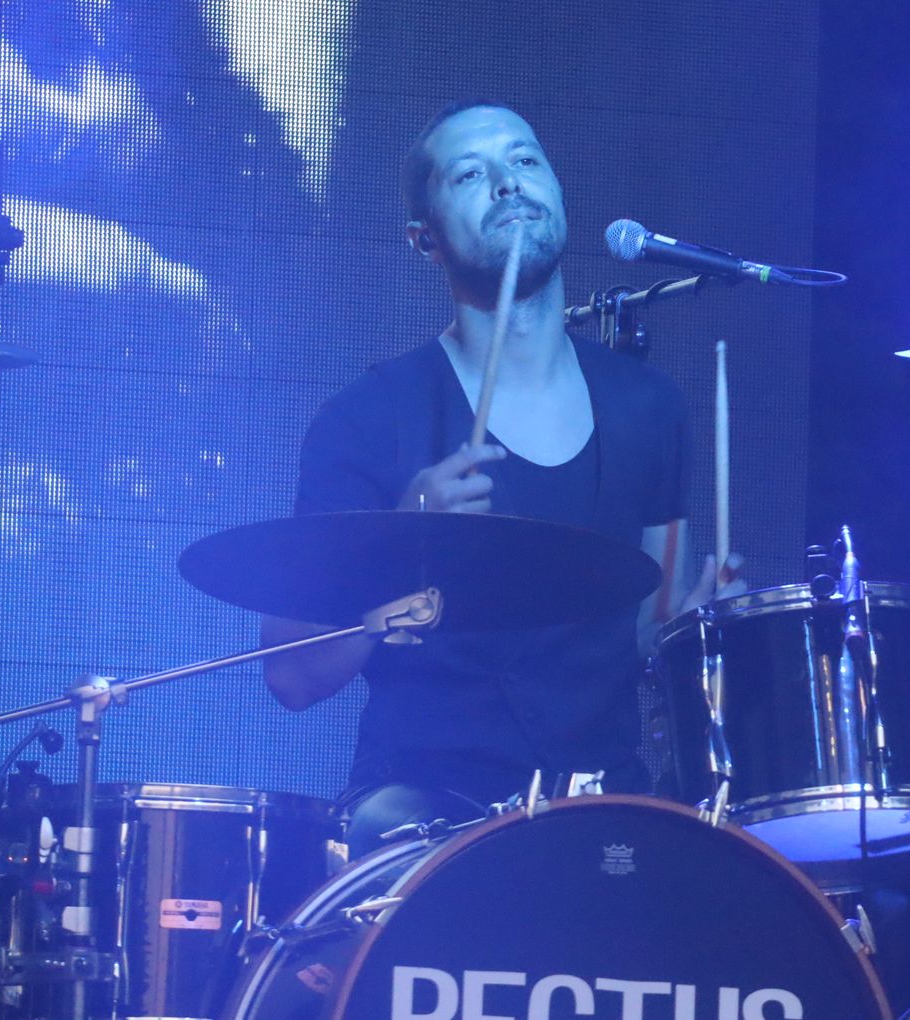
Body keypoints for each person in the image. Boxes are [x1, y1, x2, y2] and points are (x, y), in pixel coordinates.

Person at [261, 100, 739, 857]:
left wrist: (696, 632)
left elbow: (646, 635)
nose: (508, 183)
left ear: (558, 192)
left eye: (524, 161)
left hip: (602, 812)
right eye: (469, 175)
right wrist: (401, 539)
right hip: (422, 821)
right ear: (425, 239)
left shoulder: (650, 406)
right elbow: (292, 675)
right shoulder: (365, 419)